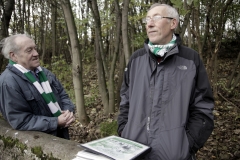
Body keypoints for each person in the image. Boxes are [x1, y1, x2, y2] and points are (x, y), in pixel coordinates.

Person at [117, 3, 214, 160]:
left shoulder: (190, 59)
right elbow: (125, 100)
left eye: (156, 17)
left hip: (174, 155)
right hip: (133, 153)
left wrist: (187, 144)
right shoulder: (136, 59)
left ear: (173, 23)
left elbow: (203, 107)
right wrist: (124, 129)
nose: (149, 23)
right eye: (147, 19)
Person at [0, 33, 75, 140]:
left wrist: (68, 111)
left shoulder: (44, 73)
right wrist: (56, 122)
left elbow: (63, 95)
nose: (36, 53)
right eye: (29, 50)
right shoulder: (8, 82)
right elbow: (20, 120)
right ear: (13, 56)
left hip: (61, 136)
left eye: (35, 48)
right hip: (40, 142)